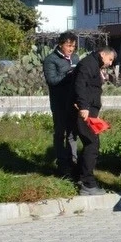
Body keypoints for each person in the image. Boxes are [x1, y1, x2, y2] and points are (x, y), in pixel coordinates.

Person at [73, 46, 116, 196]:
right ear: (103, 54)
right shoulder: (88, 64)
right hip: (86, 111)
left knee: (90, 143)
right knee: (92, 144)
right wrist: (84, 107)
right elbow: (80, 85)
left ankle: (81, 177)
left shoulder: (93, 64)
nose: (110, 63)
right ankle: (87, 183)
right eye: (110, 59)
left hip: (91, 110)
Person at [42, 31, 79, 178]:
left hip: (73, 102)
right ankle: (62, 164)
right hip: (59, 103)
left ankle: (73, 162)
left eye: (73, 46)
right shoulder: (51, 60)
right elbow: (52, 81)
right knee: (60, 133)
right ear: (61, 44)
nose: (71, 49)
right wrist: (69, 73)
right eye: (68, 46)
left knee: (72, 133)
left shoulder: (75, 57)